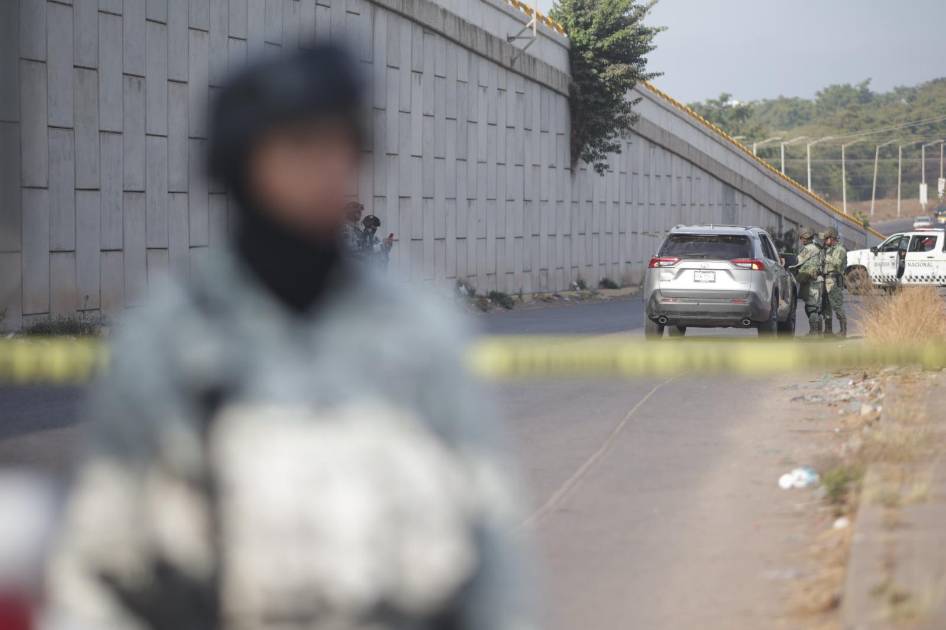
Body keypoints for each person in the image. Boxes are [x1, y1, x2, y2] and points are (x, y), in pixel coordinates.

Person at [45, 44, 532, 630]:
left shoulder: (419, 327)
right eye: (301, 145)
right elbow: (102, 566)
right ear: (241, 163)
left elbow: (491, 540)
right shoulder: (170, 335)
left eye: (342, 144)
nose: (330, 166)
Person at [793, 228, 825, 336]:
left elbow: (797, 261)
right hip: (818, 280)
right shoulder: (817, 247)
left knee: (812, 308)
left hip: (812, 281)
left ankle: (814, 333)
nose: (801, 240)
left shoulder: (809, 248)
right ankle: (818, 332)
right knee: (816, 308)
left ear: (805, 238)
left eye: (801, 238)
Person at [822, 227, 847, 337]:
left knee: (837, 305)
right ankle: (828, 331)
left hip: (834, 279)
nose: (824, 241)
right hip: (826, 279)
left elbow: (838, 263)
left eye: (826, 239)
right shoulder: (829, 249)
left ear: (832, 238)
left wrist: (827, 258)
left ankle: (843, 331)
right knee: (826, 306)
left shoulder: (840, 250)